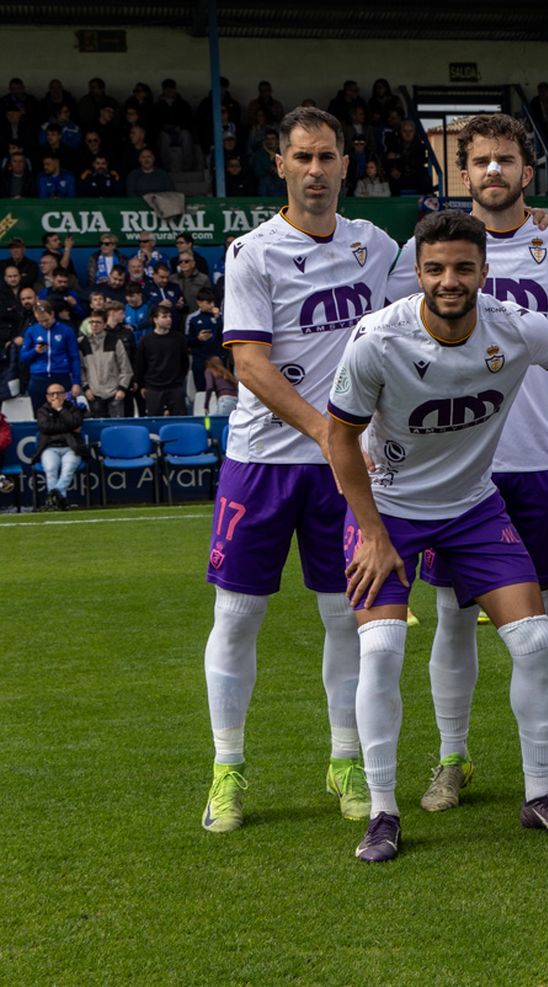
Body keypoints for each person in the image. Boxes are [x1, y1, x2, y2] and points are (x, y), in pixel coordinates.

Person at [325, 209, 548, 861]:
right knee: (384, 647)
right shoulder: (376, 339)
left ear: (483, 271)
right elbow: (337, 436)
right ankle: (383, 810)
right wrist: (370, 531)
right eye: (436, 268)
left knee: (533, 639)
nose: (450, 280)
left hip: (473, 505)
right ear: (417, 272)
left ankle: (536, 794)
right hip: (388, 509)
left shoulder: (515, 328)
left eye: (463, 268)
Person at [197, 108, 403, 836]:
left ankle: (344, 759)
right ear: (279, 164)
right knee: (240, 613)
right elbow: (247, 362)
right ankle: (228, 766)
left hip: (340, 470)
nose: (316, 170)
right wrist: (326, 430)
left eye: (328, 157)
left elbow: (451, 277)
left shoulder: (375, 246)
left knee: (344, 614)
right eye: (302, 157)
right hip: (262, 462)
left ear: (347, 164)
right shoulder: (252, 251)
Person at [392, 114, 548, 811]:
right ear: (463, 173)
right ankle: (452, 756)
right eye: (480, 161)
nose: (494, 172)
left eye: (506, 160)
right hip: (450, 467)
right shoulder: (424, 252)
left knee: (543, 616)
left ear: (526, 171)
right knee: (451, 615)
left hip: (536, 455)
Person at [19, 298, 81, 412]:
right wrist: (35, 351)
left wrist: (76, 382)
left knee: (66, 413)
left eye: (46, 320)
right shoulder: (31, 331)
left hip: (61, 376)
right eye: (40, 321)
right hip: (38, 378)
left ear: (52, 314)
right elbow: (23, 357)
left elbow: (74, 358)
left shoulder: (66, 331)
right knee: (40, 415)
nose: (44, 324)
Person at [35, 383, 87, 510]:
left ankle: (54, 498)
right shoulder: (42, 411)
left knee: (68, 469)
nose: (55, 396)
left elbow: (75, 422)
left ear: (64, 395)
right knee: (51, 469)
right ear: (47, 397)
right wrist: (69, 428)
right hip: (49, 447)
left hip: (71, 447)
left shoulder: (73, 409)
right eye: (52, 394)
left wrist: (60, 409)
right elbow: (45, 428)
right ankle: (60, 500)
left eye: (58, 393)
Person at [135, 304, 188, 416]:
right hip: (154, 387)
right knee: (154, 421)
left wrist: (179, 379)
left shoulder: (179, 338)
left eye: (170, 316)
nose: (169, 319)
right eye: (164, 316)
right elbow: (141, 365)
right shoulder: (146, 340)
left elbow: (185, 362)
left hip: (175, 386)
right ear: (155, 319)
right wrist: (142, 385)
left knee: (180, 419)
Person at [79, 309, 133, 417]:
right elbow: (80, 369)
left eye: (98, 322)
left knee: (117, 429)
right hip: (94, 394)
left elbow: (126, 369)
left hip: (115, 394)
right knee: (97, 431)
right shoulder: (82, 342)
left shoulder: (115, 341)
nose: (94, 325)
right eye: (92, 322)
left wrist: (122, 389)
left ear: (104, 324)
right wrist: (85, 388)